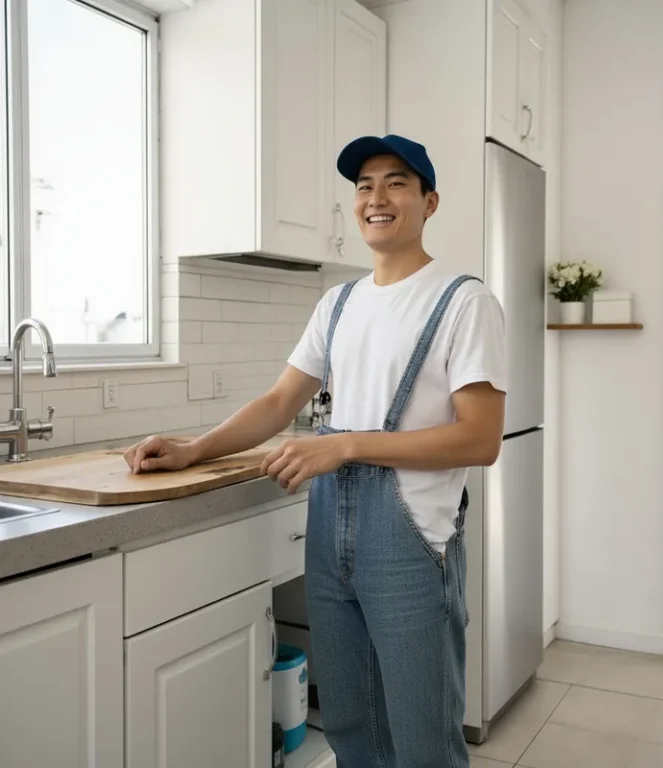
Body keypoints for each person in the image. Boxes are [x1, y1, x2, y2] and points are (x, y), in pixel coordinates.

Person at [124, 134, 507, 767]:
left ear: (429, 201)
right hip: (333, 544)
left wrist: (346, 446)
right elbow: (279, 403)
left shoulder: (464, 301)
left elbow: (480, 439)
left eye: (396, 183)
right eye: (363, 186)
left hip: (413, 550)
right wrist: (195, 448)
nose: (376, 198)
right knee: (352, 727)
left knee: (422, 741)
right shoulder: (339, 303)